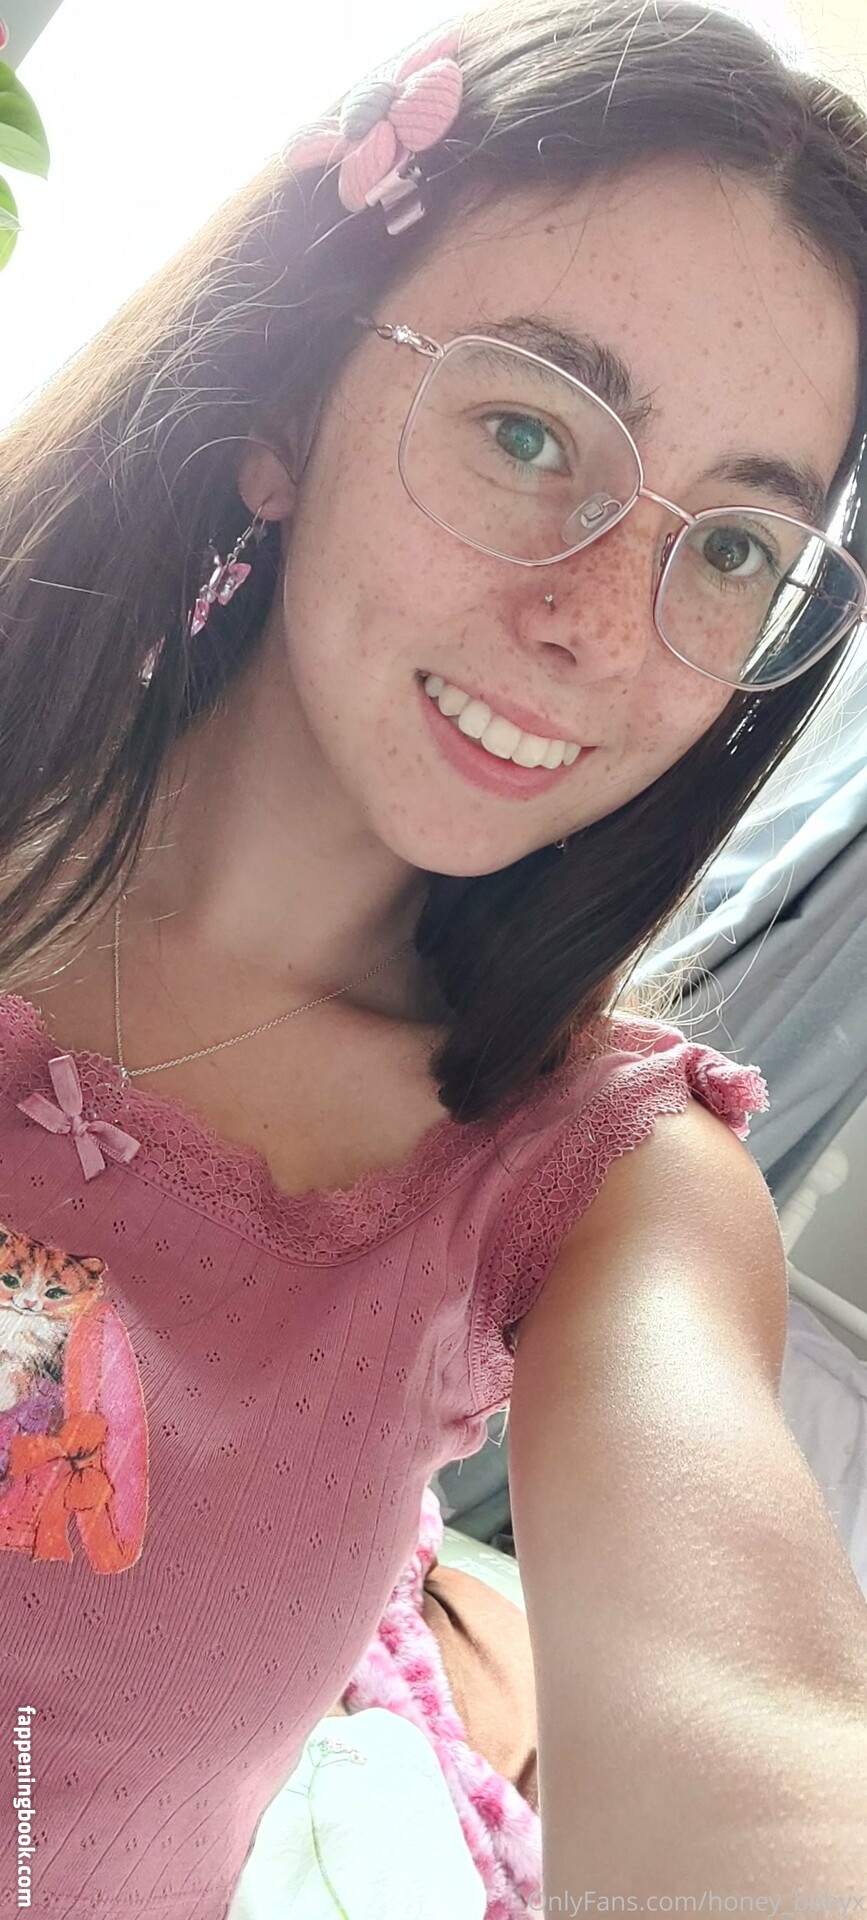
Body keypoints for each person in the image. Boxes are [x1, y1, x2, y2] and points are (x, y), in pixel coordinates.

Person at [2, 0, 867, 1910]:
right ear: (284, 412)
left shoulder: (602, 1186)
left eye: (733, 547)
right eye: (527, 430)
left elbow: (750, 1740)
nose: (600, 624)